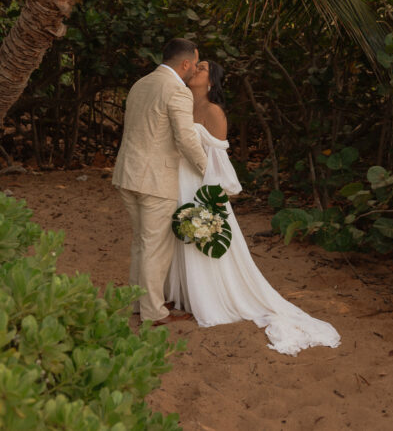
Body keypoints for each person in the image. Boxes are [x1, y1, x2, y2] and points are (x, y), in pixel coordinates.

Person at [166, 60, 341, 355]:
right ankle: (182, 295)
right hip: (176, 181)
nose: (196, 68)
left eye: (204, 68)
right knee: (177, 238)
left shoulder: (214, 112)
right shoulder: (181, 104)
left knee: (203, 240)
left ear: (212, 82)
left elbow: (218, 162)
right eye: (196, 65)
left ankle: (209, 297)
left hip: (200, 185)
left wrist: (211, 199)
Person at [113, 38, 208, 325]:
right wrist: (207, 169)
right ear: (186, 63)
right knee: (155, 246)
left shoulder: (140, 84)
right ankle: (154, 311)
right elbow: (186, 138)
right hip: (155, 178)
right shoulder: (177, 90)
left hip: (127, 173)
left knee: (142, 242)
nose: (195, 71)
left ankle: (137, 302)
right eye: (195, 64)